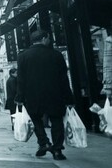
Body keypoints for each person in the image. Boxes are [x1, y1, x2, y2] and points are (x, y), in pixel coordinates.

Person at [16, 29, 74, 160]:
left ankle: (44, 142)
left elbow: (21, 79)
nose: (49, 40)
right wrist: (69, 98)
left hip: (32, 96)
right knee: (56, 120)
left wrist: (19, 97)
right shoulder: (56, 55)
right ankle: (58, 150)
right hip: (55, 94)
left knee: (35, 120)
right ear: (43, 39)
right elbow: (63, 79)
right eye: (48, 38)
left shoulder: (23, 56)